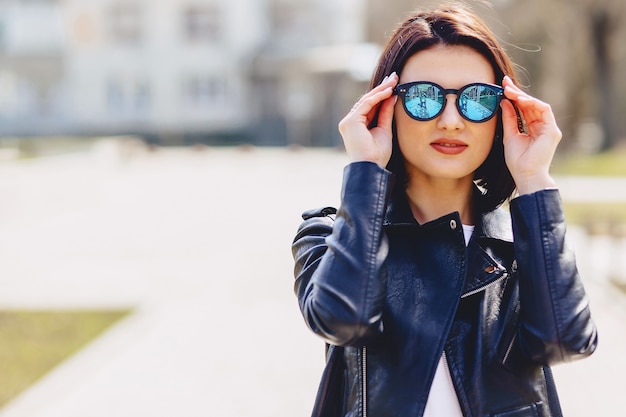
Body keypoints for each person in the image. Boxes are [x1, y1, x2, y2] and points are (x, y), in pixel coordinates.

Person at [291, 3, 597, 417]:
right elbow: (345, 320)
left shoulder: (519, 244)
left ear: (502, 112)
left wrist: (533, 178)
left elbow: (565, 341)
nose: (451, 120)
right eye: (423, 97)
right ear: (386, 106)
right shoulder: (331, 236)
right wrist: (366, 169)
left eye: (476, 99)